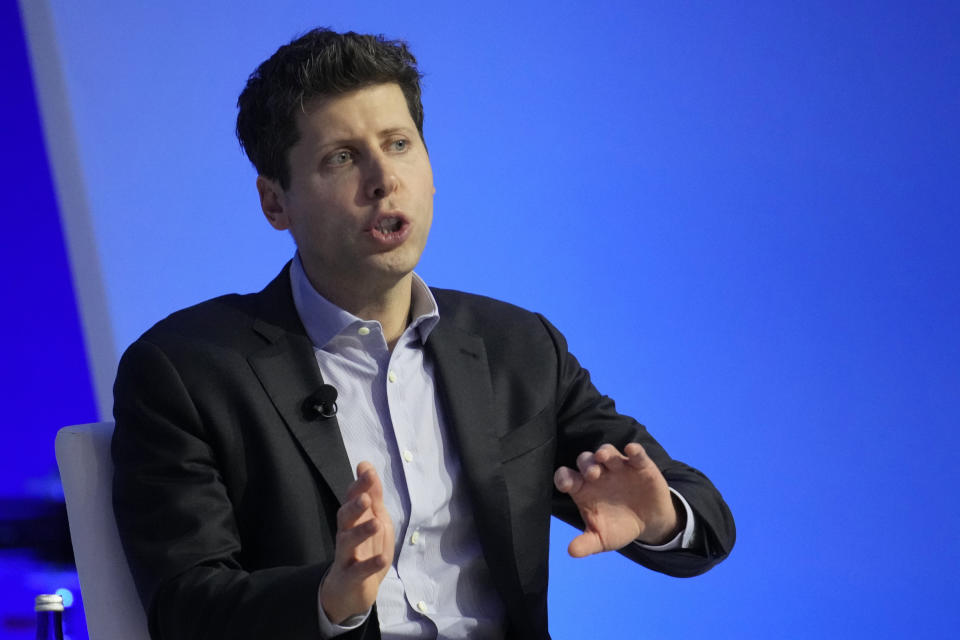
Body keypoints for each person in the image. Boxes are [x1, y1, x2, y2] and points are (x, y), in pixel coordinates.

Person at [112, 28, 735, 640]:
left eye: (399, 144)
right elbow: (185, 607)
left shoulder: (517, 348)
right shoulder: (188, 370)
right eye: (342, 157)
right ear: (275, 203)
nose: (384, 179)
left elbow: (699, 514)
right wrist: (329, 601)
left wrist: (660, 518)